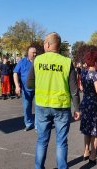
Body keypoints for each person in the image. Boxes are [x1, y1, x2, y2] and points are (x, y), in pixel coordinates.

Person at [27, 32, 80, 169]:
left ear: (49, 44)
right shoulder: (67, 62)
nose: (44, 45)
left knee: (42, 140)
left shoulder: (37, 61)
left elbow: (29, 84)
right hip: (61, 107)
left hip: (42, 106)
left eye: (44, 43)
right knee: (61, 141)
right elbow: (74, 90)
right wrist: (77, 109)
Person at [79, 48, 97, 165]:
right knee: (95, 131)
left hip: (85, 103)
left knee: (87, 130)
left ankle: (86, 151)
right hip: (94, 105)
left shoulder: (84, 72)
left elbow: (81, 87)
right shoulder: (94, 74)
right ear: (94, 62)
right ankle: (93, 155)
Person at [14, 46, 37, 131]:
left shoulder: (38, 61)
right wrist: (17, 86)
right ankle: (29, 123)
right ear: (28, 53)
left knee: (38, 107)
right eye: (33, 52)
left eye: (35, 52)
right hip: (26, 90)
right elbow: (15, 73)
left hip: (37, 89)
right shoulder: (22, 62)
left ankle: (38, 125)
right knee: (26, 107)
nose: (34, 54)